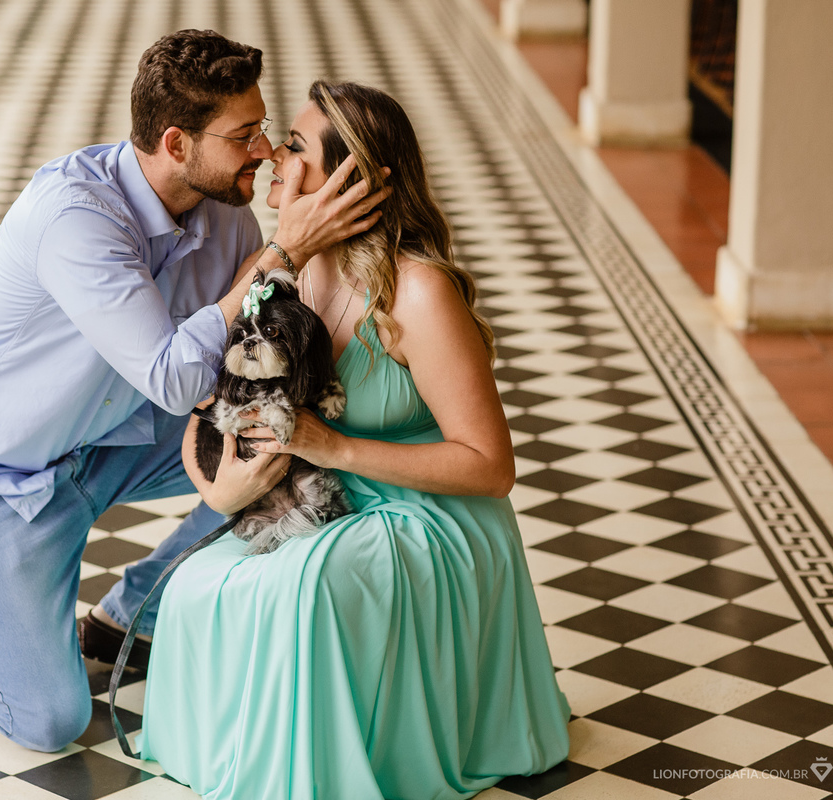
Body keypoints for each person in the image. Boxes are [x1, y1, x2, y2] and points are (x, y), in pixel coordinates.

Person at [0, 32, 388, 753]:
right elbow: (175, 378)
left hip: (106, 442)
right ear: (176, 143)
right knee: (49, 722)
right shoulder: (76, 216)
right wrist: (284, 251)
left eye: (266, 129)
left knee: (290, 437)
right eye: (244, 135)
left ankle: (133, 612)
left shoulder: (224, 210)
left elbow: (234, 358)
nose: (266, 150)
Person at [139, 81, 571, 799]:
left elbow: (492, 468)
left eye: (296, 147)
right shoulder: (281, 274)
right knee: (193, 585)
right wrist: (219, 488)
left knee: (306, 589)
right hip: (325, 500)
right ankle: (248, 764)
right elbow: (208, 405)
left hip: (427, 510)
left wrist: (329, 447)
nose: (274, 156)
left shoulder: (417, 292)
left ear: (352, 180)